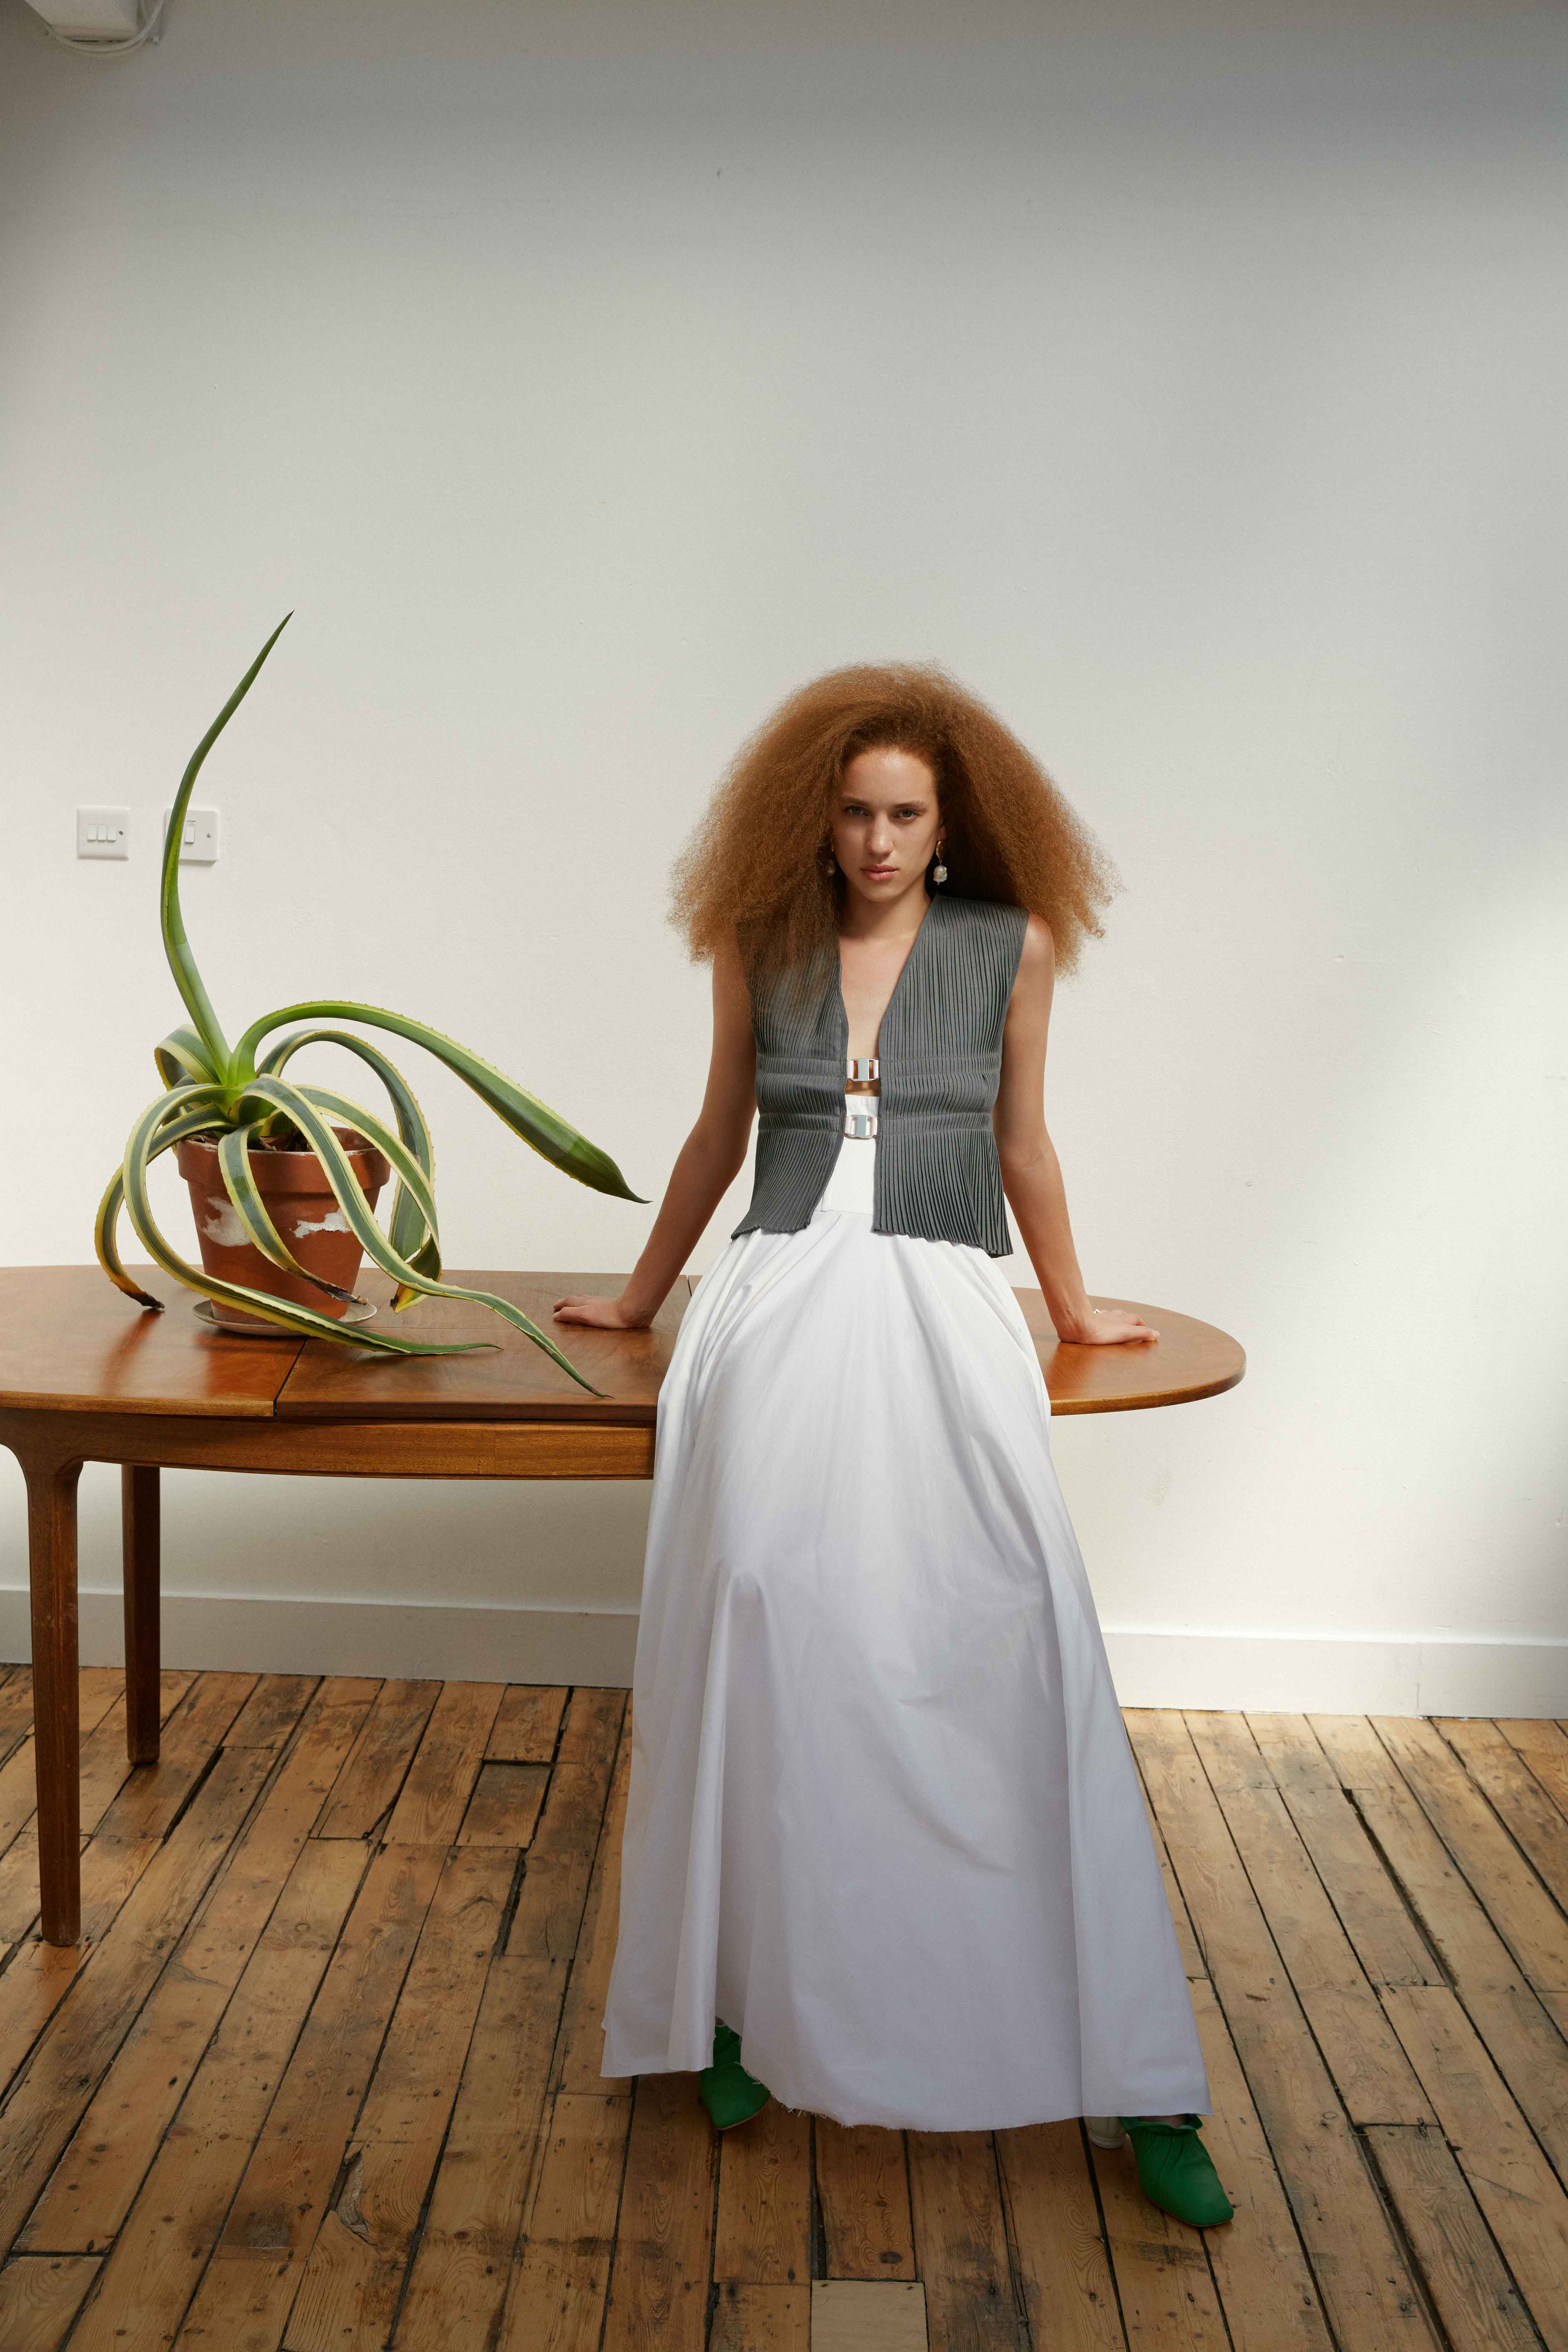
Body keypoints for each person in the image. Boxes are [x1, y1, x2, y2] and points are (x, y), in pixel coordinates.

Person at [553, 663, 1233, 2229]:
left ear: (948, 822)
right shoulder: (760, 937)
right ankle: (733, 2002)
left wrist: (1074, 1305)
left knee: (1017, 1623)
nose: (875, 840)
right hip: (775, 1293)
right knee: (762, 1615)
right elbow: (719, 1130)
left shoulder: (1012, 943)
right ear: (815, 817)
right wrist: (642, 1298)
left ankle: (1137, 2069)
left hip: (943, 1286)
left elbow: (1020, 1141)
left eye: (904, 814)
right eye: (854, 812)